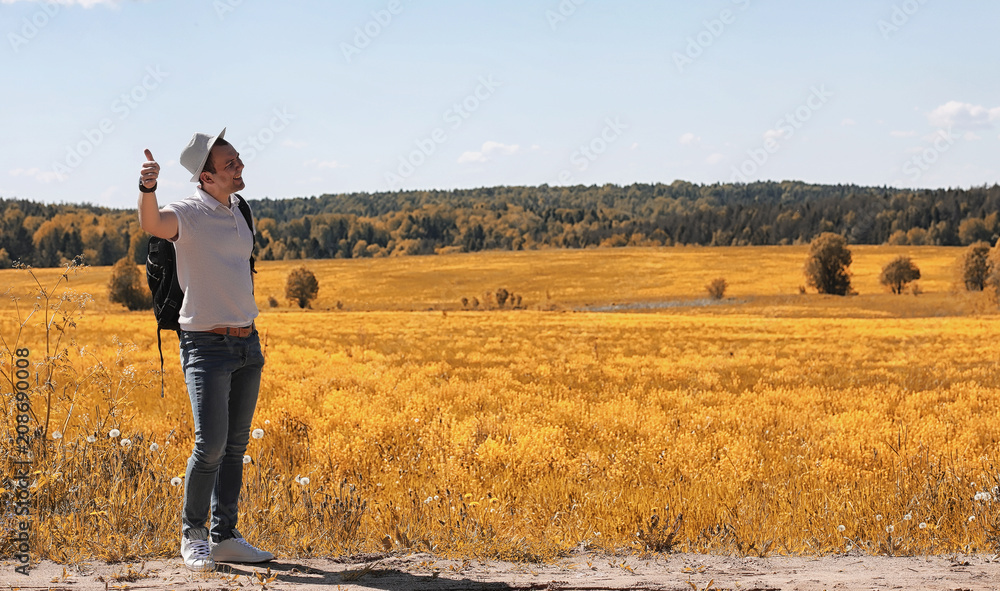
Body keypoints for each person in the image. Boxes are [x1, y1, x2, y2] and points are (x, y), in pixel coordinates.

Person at [138, 128, 273, 572]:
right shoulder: (188, 212)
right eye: (230, 163)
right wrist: (148, 188)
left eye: (238, 159)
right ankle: (193, 535)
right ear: (205, 177)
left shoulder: (240, 208)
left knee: (235, 446)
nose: (240, 167)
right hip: (205, 345)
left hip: (246, 342)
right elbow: (152, 225)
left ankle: (226, 536)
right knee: (210, 445)